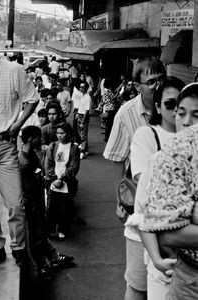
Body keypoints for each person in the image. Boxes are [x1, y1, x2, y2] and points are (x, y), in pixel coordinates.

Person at [103, 57, 166, 300]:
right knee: (139, 280)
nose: (157, 85)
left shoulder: (176, 105)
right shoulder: (125, 114)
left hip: (174, 208)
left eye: (160, 79)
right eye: (151, 82)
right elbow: (118, 159)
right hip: (141, 203)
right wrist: (119, 201)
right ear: (136, 85)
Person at [128, 83, 198, 300]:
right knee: (137, 290)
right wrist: (157, 258)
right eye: (179, 111)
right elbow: (150, 219)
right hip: (179, 269)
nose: (187, 122)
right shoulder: (162, 158)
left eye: (196, 114)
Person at [0, 25, 39, 270]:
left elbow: (32, 98)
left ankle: (18, 248)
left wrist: (18, 124)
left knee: (15, 203)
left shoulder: (13, 70)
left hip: (6, 146)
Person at [19, 126, 74, 278]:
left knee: (41, 233)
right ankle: (42, 265)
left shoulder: (32, 154)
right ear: (31, 139)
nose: (41, 140)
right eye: (38, 138)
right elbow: (28, 189)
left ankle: (53, 257)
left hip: (38, 202)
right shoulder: (24, 162)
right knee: (36, 236)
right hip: (33, 205)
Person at [45, 122, 80, 240]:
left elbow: (74, 166)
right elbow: (48, 163)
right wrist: (54, 179)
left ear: (68, 134)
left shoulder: (74, 148)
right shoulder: (53, 146)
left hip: (66, 183)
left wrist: (62, 178)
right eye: (58, 133)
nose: (59, 135)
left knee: (65, 209)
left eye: (62, 133)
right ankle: (50, 230)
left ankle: (63, 230)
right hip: (54, 182)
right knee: (52, 208)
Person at [77, 82, 92, 160]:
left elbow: (86, 111)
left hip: (84, 117)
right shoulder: (82, 96)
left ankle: (82, 152)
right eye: (80, 87)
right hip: (79, 115)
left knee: (83, 136)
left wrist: (82, 122)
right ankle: (85, 150)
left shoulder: (87, 97)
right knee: (81, 134)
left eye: (82, 87)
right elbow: (81, 107)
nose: (81, 88)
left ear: (86, 88)